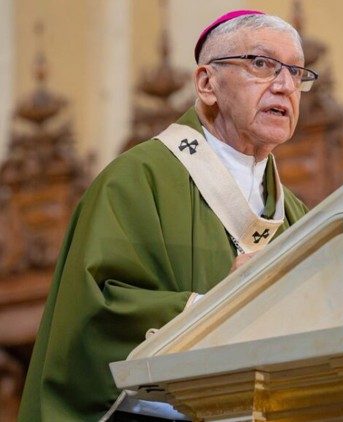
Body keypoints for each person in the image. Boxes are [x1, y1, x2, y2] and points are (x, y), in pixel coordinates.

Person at [19, 9, 316, 421]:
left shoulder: (299, 216)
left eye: (297, 72)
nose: (285, 86)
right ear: (207, 83)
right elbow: (94, 315)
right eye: (262, 64)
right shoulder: (134, 181)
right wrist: (213, 308)